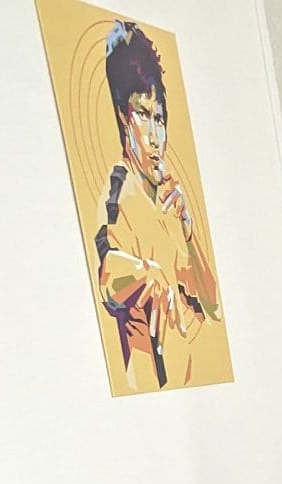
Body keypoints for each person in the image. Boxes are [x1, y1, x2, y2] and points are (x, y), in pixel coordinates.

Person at [93, 22, 221, 391]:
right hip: (153, 389)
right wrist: (148, 273)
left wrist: (189, 231)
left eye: (159, 118)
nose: (154, 136)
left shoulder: (170, 193)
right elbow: (106, 276)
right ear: (122, 116)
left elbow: (212, 307)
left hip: (201, 384)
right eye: (143, 115)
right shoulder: (118, 188)